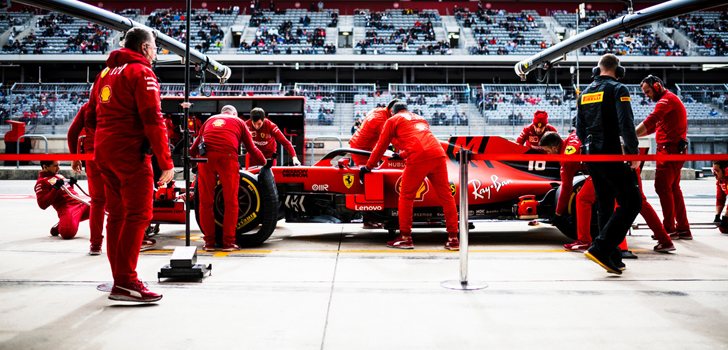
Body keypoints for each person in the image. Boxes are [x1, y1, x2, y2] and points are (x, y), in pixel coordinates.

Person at [86, 27, 174, 302]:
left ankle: (119, 279)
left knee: (117, 215)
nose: (156, 52)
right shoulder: (142, 72)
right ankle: (126, 281)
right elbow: (152, 118)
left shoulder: (103, 74)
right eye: (155, 47)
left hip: (104, 151)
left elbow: (90, 117)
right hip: (130, 153)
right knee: (139, 215)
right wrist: (166, 161)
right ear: (145, 48)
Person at [360, 102, 459, 251]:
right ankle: (453, 239)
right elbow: (420, 140)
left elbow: (381, 146)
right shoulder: (420, 118)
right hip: (438, 154)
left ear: (392, 112)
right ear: (406, 109)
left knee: (406, 196)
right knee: (446, 196)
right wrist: (401, 155)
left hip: (418, 157)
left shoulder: (392, 120)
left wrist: (368, 166)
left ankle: (406, 237)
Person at [575, 54, 641, 275]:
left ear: (598, 69)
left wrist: (588, 150)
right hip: (610, 153)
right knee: (632, 202)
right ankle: (602, 248)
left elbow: (579, 131)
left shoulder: (584, 94)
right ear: (618, 70)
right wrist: (633, 153)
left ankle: (610, 255)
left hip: (592, 155)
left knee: (604, 203)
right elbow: (626, 124)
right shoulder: (618, 89)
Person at [191, 105, 265, 252]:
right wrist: (264, 162)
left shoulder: (209, 120)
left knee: (205, 202)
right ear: (235, 114)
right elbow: (252, 148)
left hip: (205, 159)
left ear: (221, 113)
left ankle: (209, 243)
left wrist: (193, 161)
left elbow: (194, 147)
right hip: (227, 157)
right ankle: (228, 243)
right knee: (231, 202)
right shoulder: (239, 122)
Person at [635, 75, 691, 240]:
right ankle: (682, 228)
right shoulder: (670, 100)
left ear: (657, 86)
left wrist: (630, 135)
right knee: (673, 189)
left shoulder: (666, 101)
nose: (647, 96)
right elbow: (654, 126)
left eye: (648, 91)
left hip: (669, 151)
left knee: (662, 188)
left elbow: (652, 120)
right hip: (673, 150)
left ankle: (669, 228)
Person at [67, 102, 105, 255]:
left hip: (92, 157)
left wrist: (75, 157)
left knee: (97, 202)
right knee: (121, 200)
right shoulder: (118, 101)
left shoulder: (87, 107)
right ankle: (123, 243)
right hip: (116, 154)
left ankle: (95, 245)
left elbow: (72, 133)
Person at [35, 160, 90, 240]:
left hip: (81, 203)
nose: (58, 168)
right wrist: (55, 188)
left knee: (101, 207)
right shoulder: (41, 182)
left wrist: (71, 184)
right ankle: (62, 224)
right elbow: (42, 204)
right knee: (67, 233)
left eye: (58, 165)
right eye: (55, 166)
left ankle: (66, 221)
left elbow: (67, 191)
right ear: (45, 167)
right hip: (68, 208)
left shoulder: (59, 176)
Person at [348, 99, 399, 165]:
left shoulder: (379, 111)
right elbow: (391, 138)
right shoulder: (380, 120)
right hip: (362, 149)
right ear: (392, 111)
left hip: (360, 144)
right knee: (368, 172)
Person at [714, 160, 728, 233]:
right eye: (713, 171)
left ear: (726, 171)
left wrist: (726, 217)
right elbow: (720, 199)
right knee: (723, 228)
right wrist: (717, 215)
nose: (714, 174)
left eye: (717, 171)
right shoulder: (720, 181)